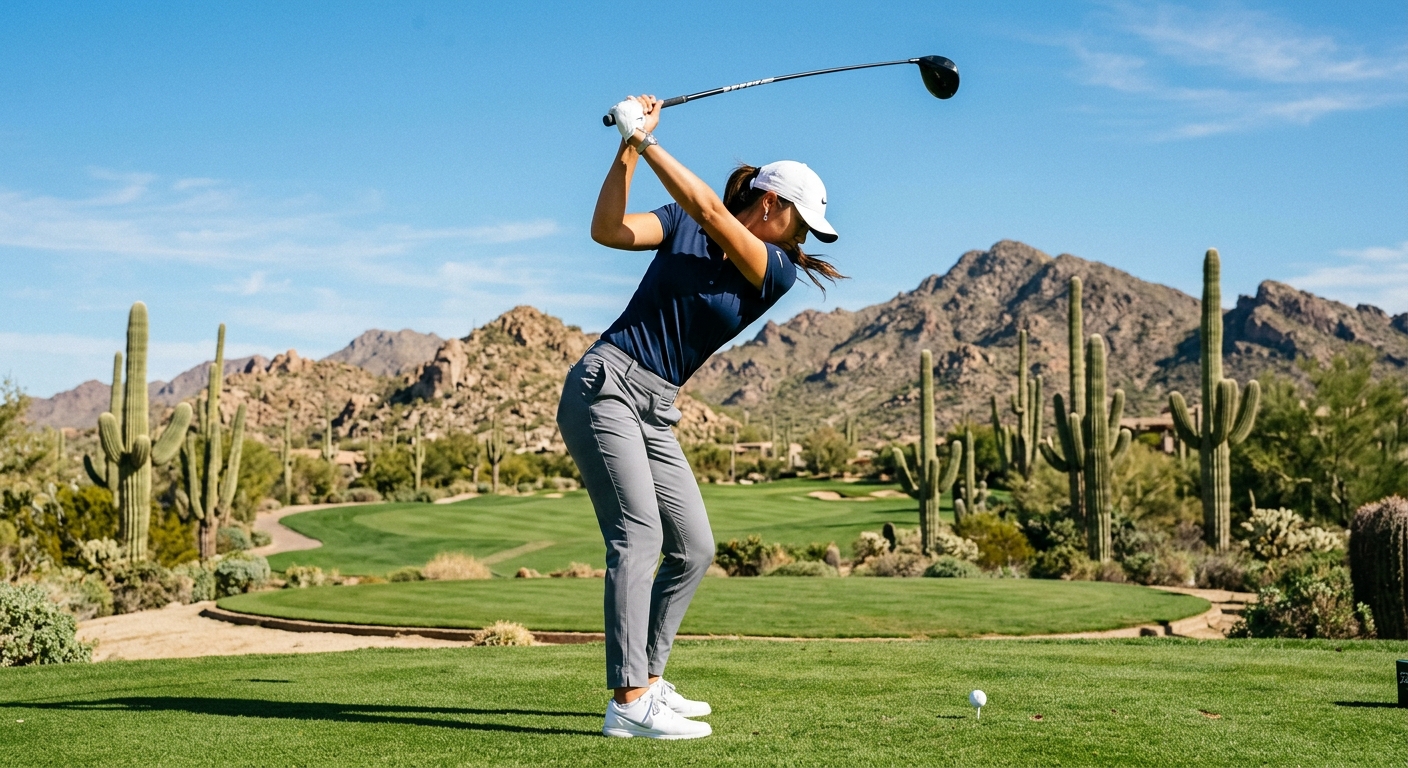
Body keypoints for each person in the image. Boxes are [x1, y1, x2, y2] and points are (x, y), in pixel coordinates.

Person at [556, 95, 844, 740]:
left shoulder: (775, 270)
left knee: (694, 547)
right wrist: (628, 147)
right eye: (801, 226)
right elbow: (608, 231)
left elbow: (712, 210)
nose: (803, 243)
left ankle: (651, 682)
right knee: (639, 538)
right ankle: (629, 703)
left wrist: (648, 139)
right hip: (605, 386)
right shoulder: (683, 223)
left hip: (656, 408)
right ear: (772, 204)